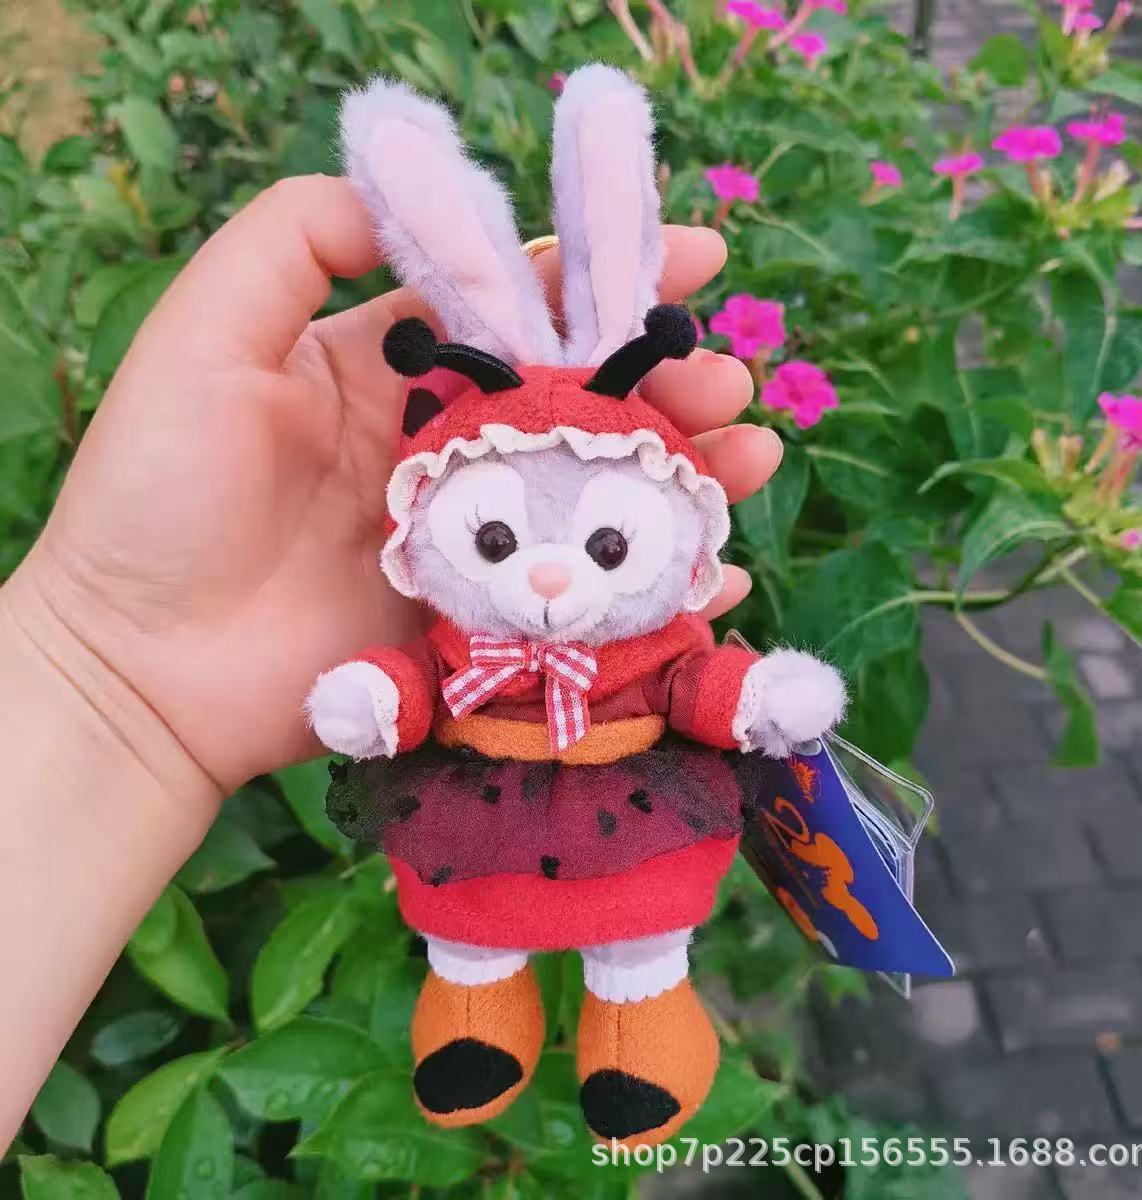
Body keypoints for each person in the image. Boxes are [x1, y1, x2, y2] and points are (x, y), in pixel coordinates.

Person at [0, 174, 783, 1150]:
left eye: (609, 547)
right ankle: (476, 1022)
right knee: (466, 921)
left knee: (641, 926)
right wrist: (375, 697)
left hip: (628, 786)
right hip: (479, 790)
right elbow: (415, 678)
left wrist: (761, 696)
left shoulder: (652, 643)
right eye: (493, 541)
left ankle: (641, 1028)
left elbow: (693, 683)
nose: (548, 578)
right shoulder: (458, 642)